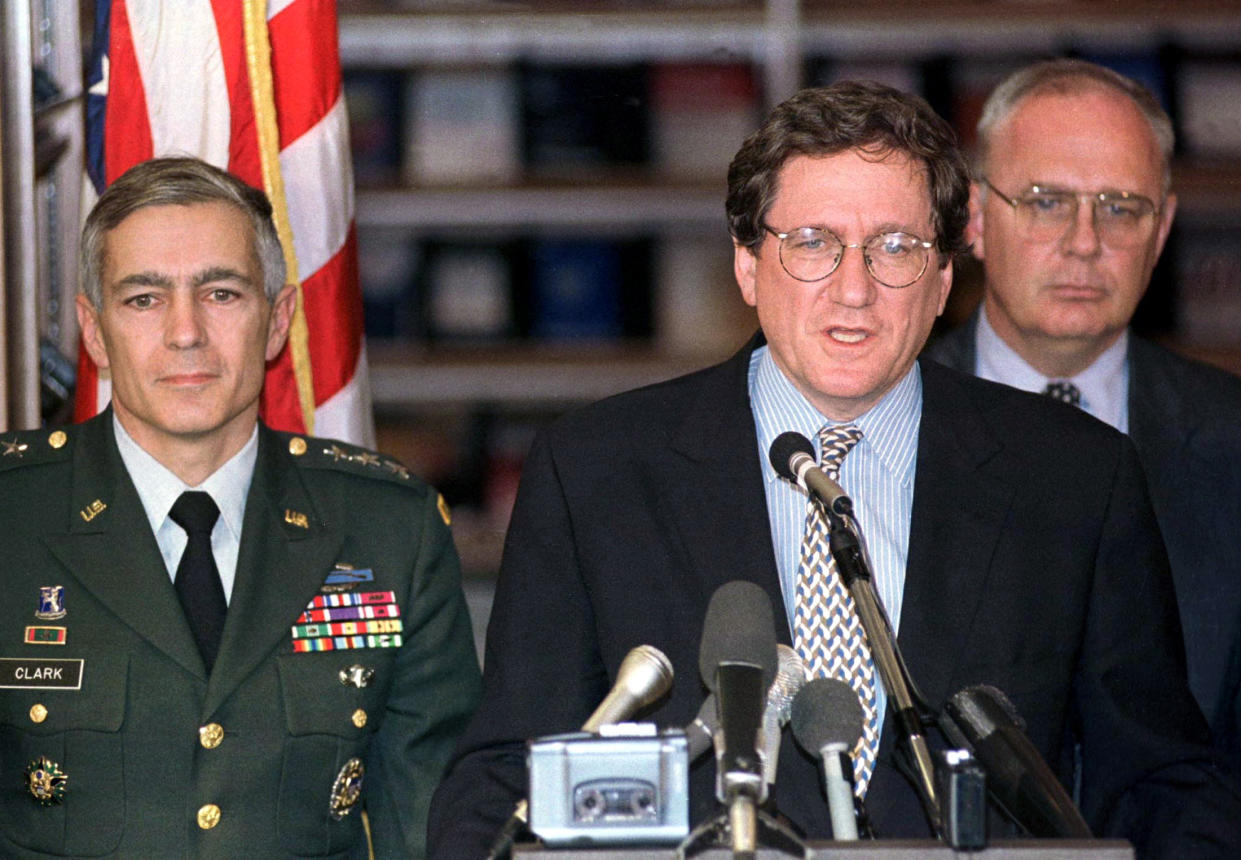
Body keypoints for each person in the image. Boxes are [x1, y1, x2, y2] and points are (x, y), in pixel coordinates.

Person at [427, 81, 1241, 857]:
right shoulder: (597, 472)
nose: (854, 289)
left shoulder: (1076, 478)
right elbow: (504, 775)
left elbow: (1160, 783)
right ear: (747, 265)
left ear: (943, 277)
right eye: (812, 244)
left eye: (895, 247)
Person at [0, 157, 481, 858]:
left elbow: (430, 823)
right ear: (95, 332)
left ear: (279, 319)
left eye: (221, 294)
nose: (186, 332)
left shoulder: (388, 531)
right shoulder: (13, 516)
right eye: (144, 299)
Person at [923, 59, 1241, 757]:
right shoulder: (877, 422)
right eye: (1044, 201)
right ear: (973, 217)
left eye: (1119, 207)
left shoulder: (1230, 441)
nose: (1083, 242)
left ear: (1160, 233)